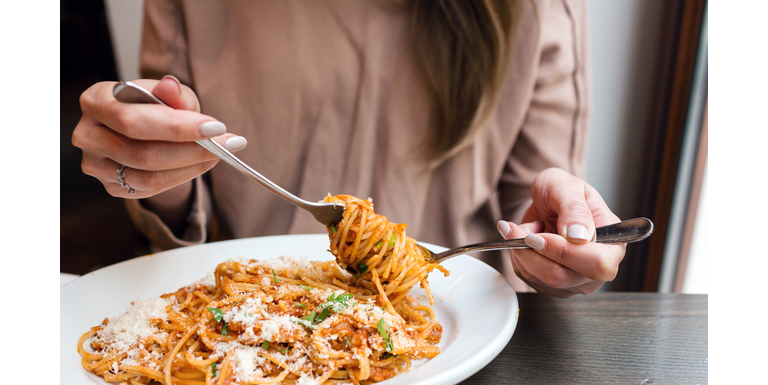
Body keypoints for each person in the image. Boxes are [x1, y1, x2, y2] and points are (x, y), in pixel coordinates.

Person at [72, 0, 625, 298]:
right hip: (247, 316)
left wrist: (556, 250)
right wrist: (150, 165)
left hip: (451, 330)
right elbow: (178, 210)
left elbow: (535, 214)